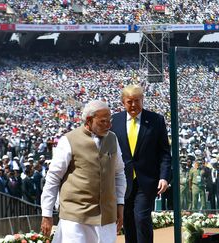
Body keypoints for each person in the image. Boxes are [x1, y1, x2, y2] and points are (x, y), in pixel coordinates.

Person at [40, 100, 126, 243]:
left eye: (109, 121)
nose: (109, 125)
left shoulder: (112, 138)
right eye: (103, 122)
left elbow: (119, 173)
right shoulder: (68, 140)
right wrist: (47, 214)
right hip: (76, 218)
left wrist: (120, 203)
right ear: (89, 120)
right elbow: (53, 178)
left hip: (106, 217)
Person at [110, 85, 171, 243]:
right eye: (129, 101)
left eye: (137, 101)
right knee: (128, 219)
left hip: (146, 180)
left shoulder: (156, 120)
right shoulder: (114, 121)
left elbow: (164, 152)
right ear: (123, 102)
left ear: (142, 100)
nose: (133, 105)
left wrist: (164, 177)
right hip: (123, 180)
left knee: (141, 217)